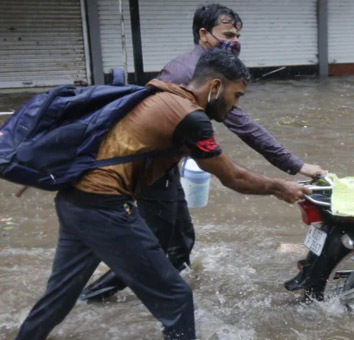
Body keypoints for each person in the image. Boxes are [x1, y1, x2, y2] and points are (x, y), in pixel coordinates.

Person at [4, 48, 311, 340]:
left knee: (59, 298)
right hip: (104, 208)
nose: (236, 106)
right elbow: (232, 177)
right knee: (177, 298)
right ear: (215, 87)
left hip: (74, 202)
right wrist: (279, 186)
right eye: (237, 95)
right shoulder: (191, 118)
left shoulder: (160, 95)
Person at [80, 3, 325, 301]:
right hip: (149, 170)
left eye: (238, 35)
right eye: (228, 34)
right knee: (153, 243)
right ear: (204, 34)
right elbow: (243, 130)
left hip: (163, 165)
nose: (235, 41)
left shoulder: (203, 68)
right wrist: (296, 166)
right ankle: (99, 296)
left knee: (181, 240)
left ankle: (170, 287)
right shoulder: (194, 74)